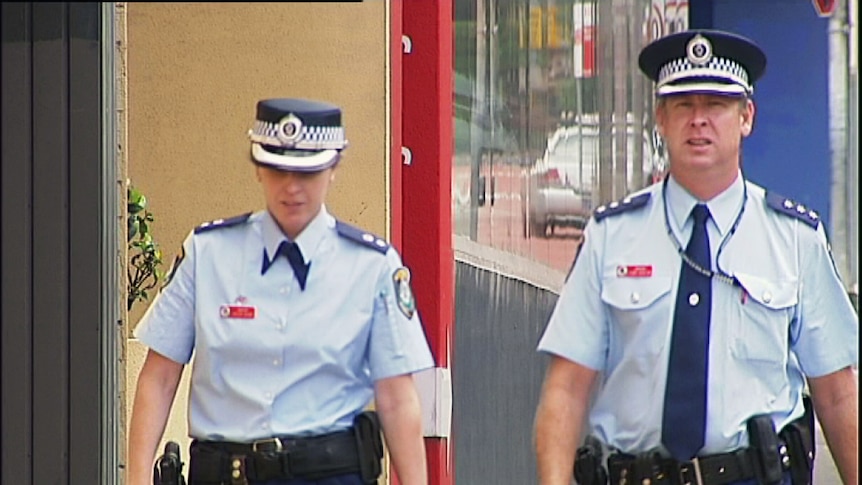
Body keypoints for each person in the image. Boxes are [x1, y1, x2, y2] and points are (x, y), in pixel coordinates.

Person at [533, 29, 858, 485]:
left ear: (746, 117)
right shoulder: (612, 237)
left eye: (716, 105)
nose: (698, 120)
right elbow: (566, 389)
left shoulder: (793, 239)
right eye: (684, 105)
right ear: (661, 119)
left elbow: (837, 392)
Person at [128, 98, 435, 485]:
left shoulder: (372, 267)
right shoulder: (207, 254)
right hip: (226, 473)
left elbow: (396, 396)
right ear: (258, 169)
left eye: (307, 173)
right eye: (278, 170)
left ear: (333, 168)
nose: (292, 188)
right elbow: (159, 377)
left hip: (328, 472)